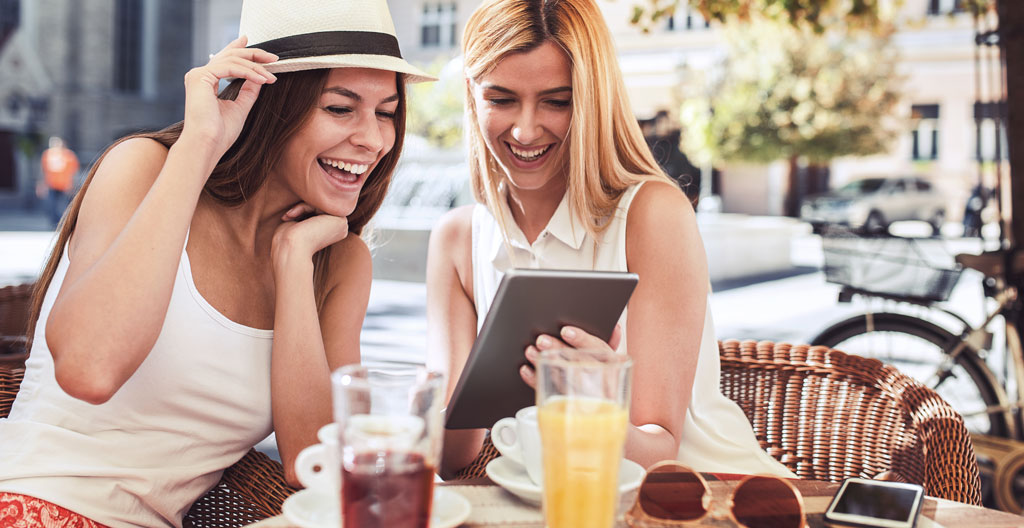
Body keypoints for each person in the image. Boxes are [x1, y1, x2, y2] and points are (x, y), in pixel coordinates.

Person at [0, 0, 433, 526]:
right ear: (272, 105)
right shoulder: (145, 168)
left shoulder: (339, 261)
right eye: (340, 109)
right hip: (30, 502)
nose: (374, 139)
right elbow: (90, 370)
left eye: (386, 112)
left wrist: (293, 264)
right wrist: (199, 146)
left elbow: (312, 461)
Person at [425, 0, 793, 479]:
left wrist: (596, 402)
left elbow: (660, 454)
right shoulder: (456, 239)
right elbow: (451, 460)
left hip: (708, 494)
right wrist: (440, 402)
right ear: (471, 95)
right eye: (501, 99)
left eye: (557, 101)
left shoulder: (652, 214)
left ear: (592, 98)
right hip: (560, 501)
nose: (525, 129)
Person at [39, 136, 80, 227]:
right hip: (51, 185)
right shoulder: (47, 155)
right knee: (52, 205)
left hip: (65, 185)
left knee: (64, 206)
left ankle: (64, 222)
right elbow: (43, 170)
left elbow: (74, 172)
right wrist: (42, 184)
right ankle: (54, 223)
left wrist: (73, 184)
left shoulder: (69, 155)